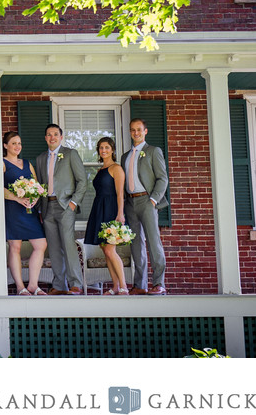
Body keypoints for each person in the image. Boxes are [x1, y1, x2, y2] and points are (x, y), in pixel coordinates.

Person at [35, 123, 87, 295]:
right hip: (47, 206)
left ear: (61, 137)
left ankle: (76, 284)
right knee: (54, 247)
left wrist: (74, 202)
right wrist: (40, 209)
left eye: (55, 134)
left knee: (68, 244)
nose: (52, 137)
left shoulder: (70, 154)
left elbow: (82, 181)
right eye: (49, 134)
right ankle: (59, 285)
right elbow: (40, 184)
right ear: (45, 138)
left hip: (65, 205)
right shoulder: (41, 158)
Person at [121, 118, 169, 295]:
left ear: (145, 131)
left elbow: (162, 178)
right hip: (130, 202)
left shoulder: (153, 151)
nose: (136, 133)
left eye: (139, 130)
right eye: (133, 130)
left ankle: (159, 283)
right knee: (136, 244)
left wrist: (153, 200)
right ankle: (140, 285)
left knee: (153, 242)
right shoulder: (125, 156)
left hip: (147, 201)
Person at [3, 131, 49, 296]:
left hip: (29, 210)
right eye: (13, 143)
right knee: (15, 246)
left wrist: (34, 198)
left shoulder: (27, 163)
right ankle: (20, 287)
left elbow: (36, 185)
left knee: (41, 244)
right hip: (12, 209)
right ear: (5, 146)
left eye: (19, 143)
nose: (17, 146)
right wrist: (16, 198)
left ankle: (33, 285)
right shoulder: (2, 163)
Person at [83, 137, 129, 295]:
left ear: (112, 150)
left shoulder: (117, 168)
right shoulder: (100, 170)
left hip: (111, 210)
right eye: (101, 148)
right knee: (105, 249)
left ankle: (123, 286)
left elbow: (120, 194)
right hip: (99, 209)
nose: (104, 150)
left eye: (107, 147)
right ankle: (115, 286)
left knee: (110, 249)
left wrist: (120, 214)